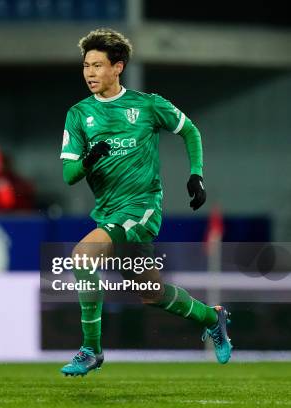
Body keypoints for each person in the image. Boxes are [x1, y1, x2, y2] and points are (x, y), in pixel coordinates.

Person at [58, 28, 232, 376]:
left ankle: (91, 350)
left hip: (141, 208)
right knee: (151, 293)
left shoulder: (148, 105)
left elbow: (189, 130)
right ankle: (214, 318)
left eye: (97, 65)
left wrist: (196, 173)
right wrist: (90, 159)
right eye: (86, 66)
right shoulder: (78, 114)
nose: (90, 73)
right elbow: (69, 175)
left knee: (81, 257)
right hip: (107, 212)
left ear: (117, 67)